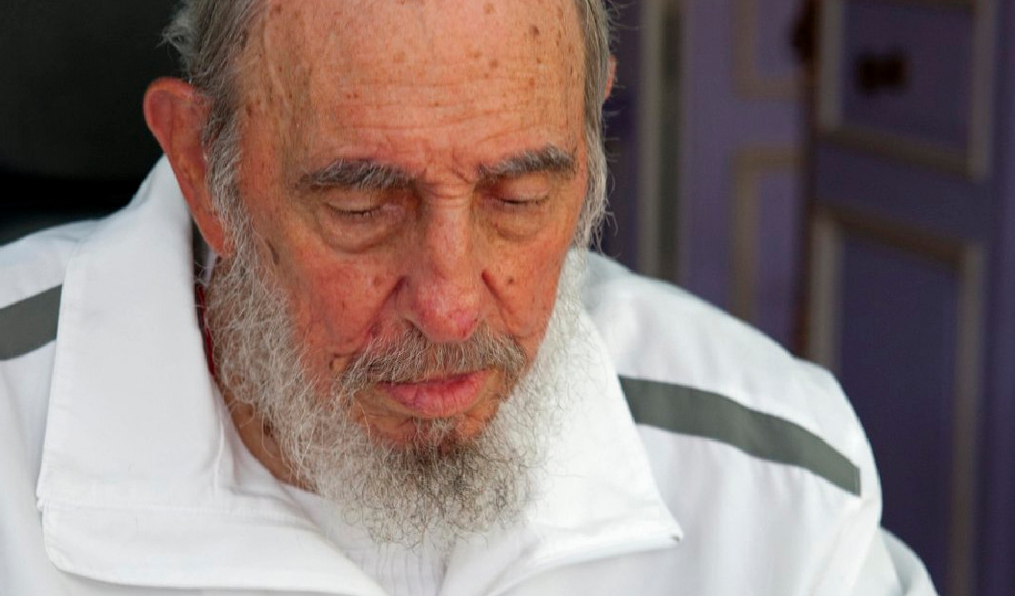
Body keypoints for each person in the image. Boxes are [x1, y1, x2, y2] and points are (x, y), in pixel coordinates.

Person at [0, 1, 937, 594]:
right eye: (362, 208)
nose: (449, 308)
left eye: (518, 198)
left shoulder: (774, 486)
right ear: (203, 167)